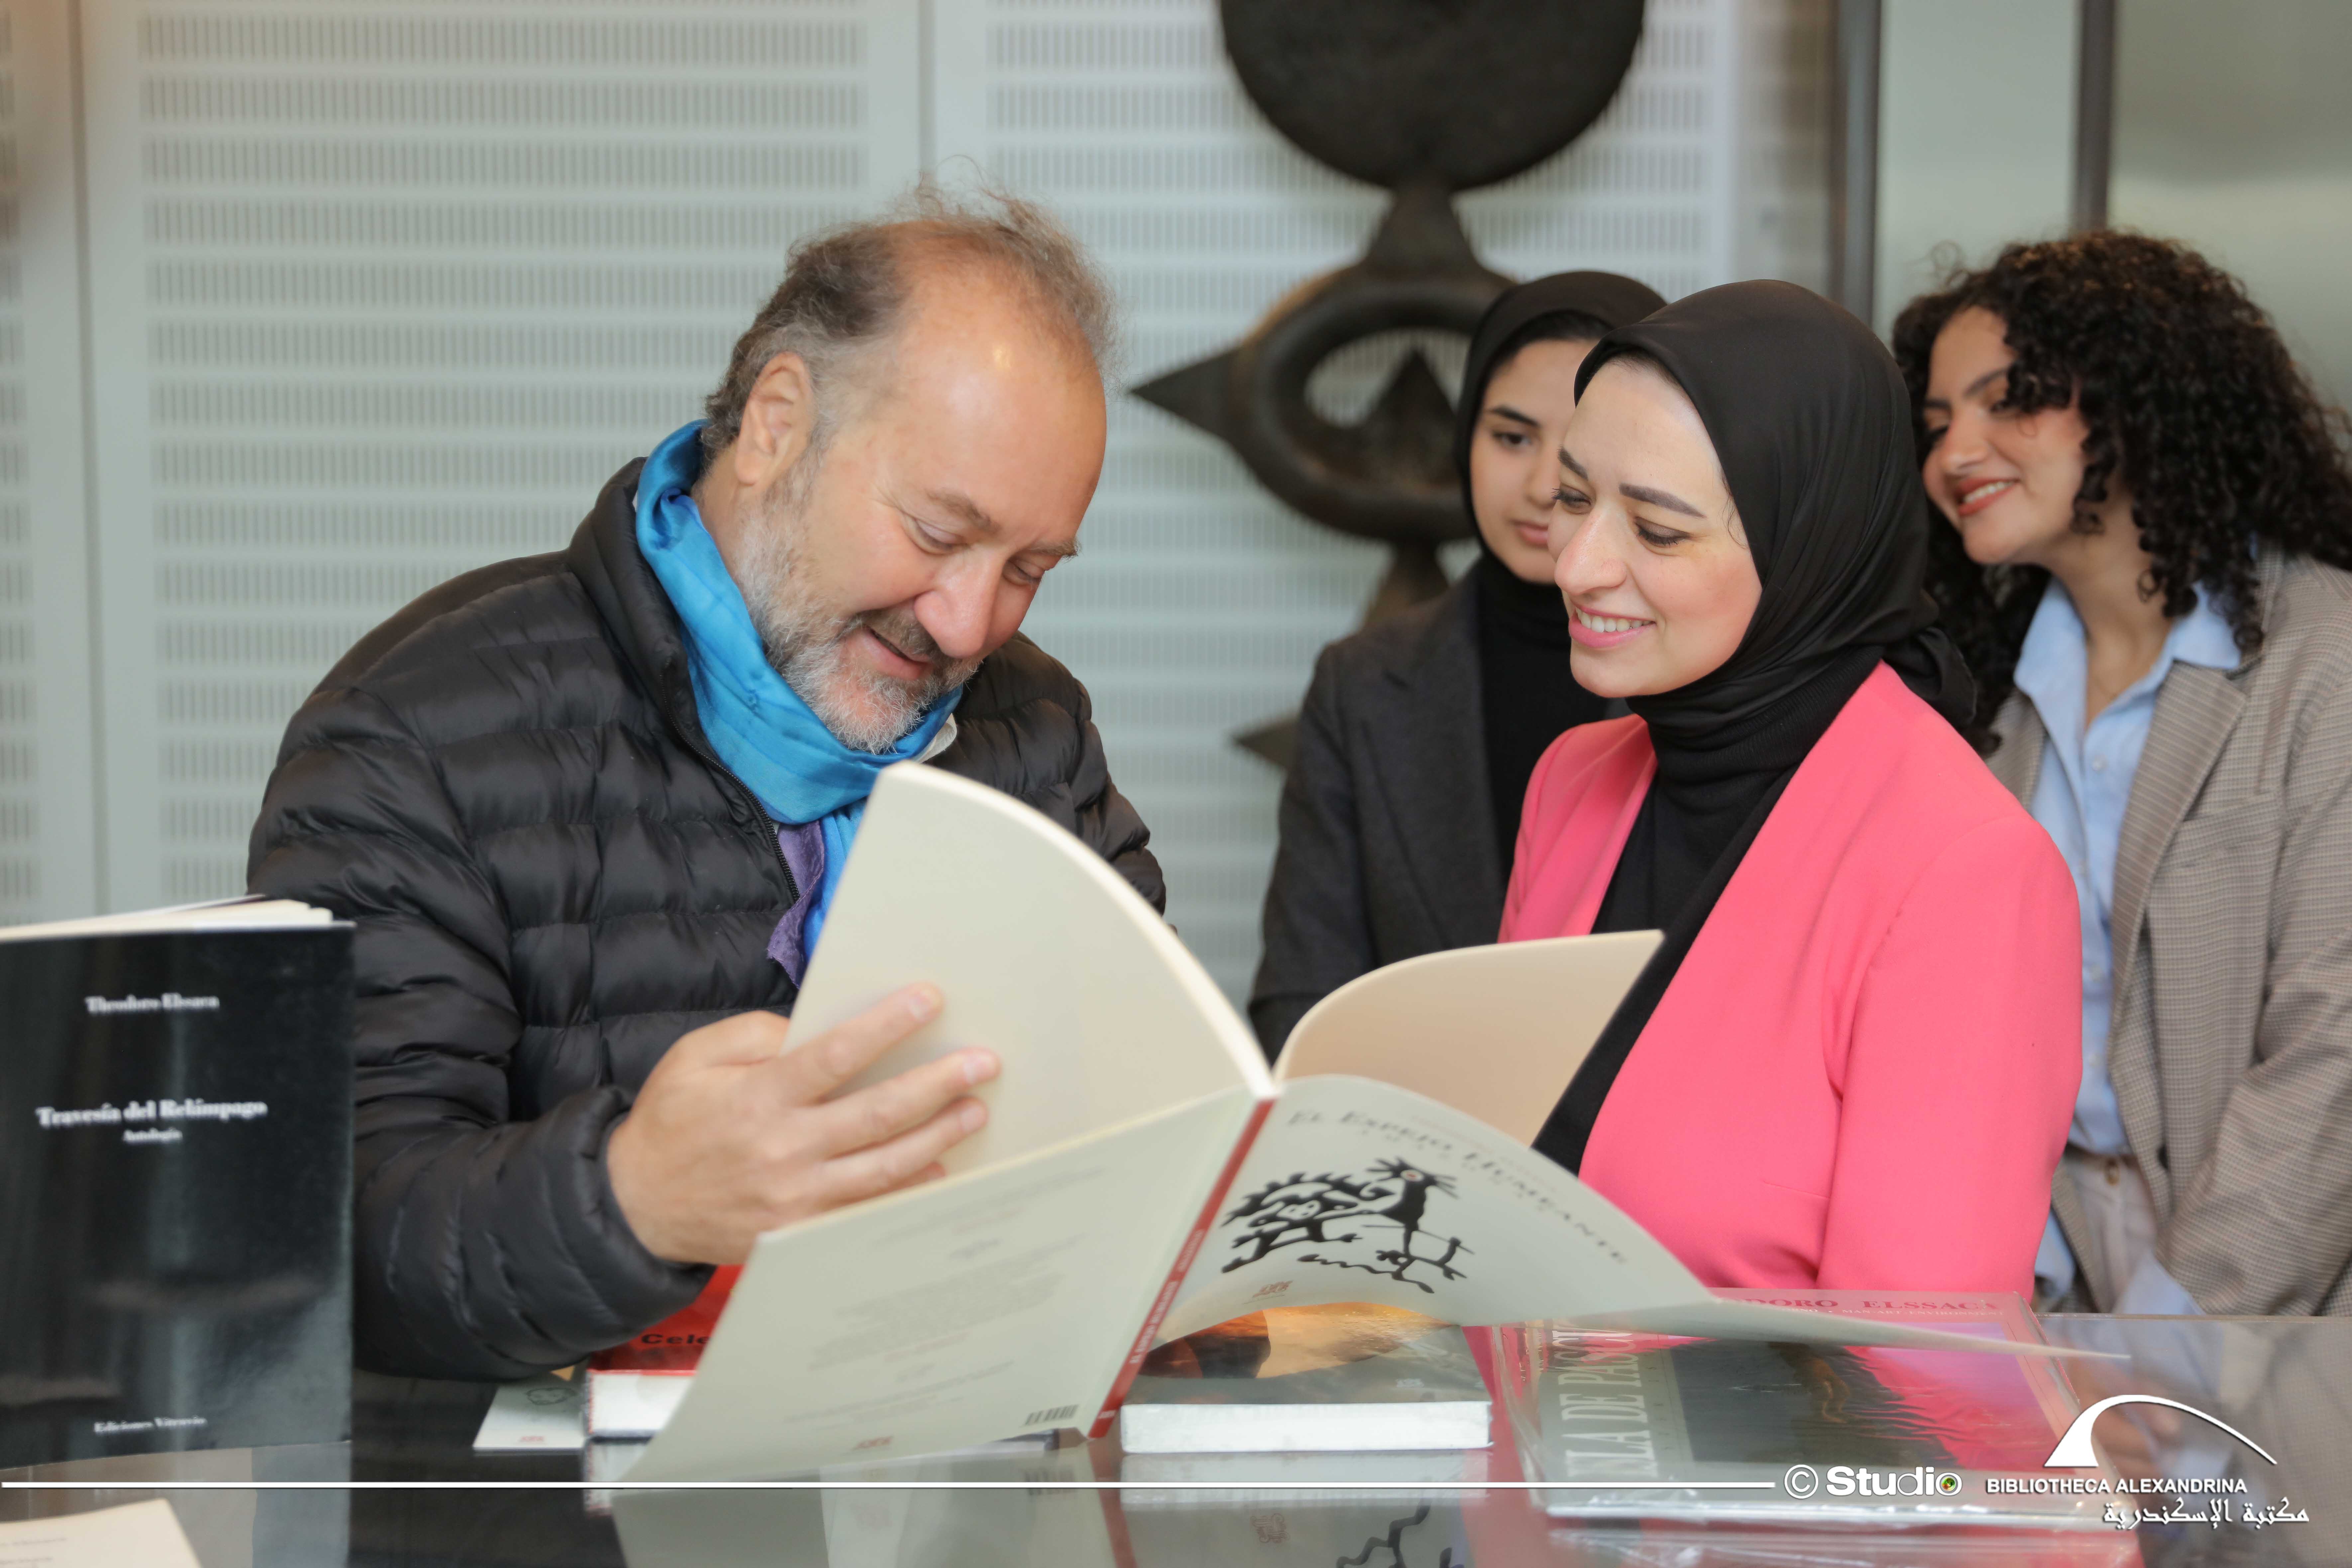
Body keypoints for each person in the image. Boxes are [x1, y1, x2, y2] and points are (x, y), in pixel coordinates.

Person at [247, 189, 1163, 1379]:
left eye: (1029, 569)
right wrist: (633, 1201)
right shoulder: (418, 732)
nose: (968, 624)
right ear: (778, 424)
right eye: (939, 535)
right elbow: (337, 1240)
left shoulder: (1033, 725)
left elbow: (1142, 1100)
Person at [1499, 280, 2079, 1296]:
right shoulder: (1575, 777)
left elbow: (1920, 1357)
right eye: (1575, 500)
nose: (1579, 568)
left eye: (1659, 530)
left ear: (1811, 543)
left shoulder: (1963, 870)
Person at [1894, 232, 2352, 1316]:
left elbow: (2335, 1051)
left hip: (2276, 1285)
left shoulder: (2325, 663)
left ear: (2144, 400)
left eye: (2010, 400)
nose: (1957, 452)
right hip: (2055, 1276)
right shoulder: (1989, 700)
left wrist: (2174, 1334)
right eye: (1939, 422)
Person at [1250, 273, 1665, 1057]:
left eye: (1583, 449)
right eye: (1512, 437)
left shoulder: (1711, 677)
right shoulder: (1363, 683)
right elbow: (1302, 1001)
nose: (1543, 486)